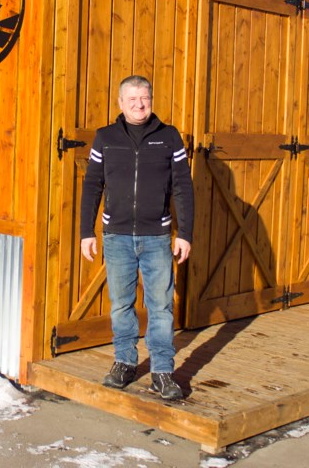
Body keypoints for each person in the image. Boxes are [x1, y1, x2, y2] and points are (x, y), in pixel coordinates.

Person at [79, 75, 194, 400]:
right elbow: (92, 185)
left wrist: (184, 233)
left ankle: (161, 371)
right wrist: (86, 232)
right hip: (116, 236)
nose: (139, 104)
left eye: (144, 98)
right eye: (132, 99)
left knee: (160, 307)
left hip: (157, 236)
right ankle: (125, 363)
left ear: (151, 99)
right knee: (121, 306)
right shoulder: (106, 138)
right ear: (120, 103)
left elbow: (183, 186)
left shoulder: (169, 138)